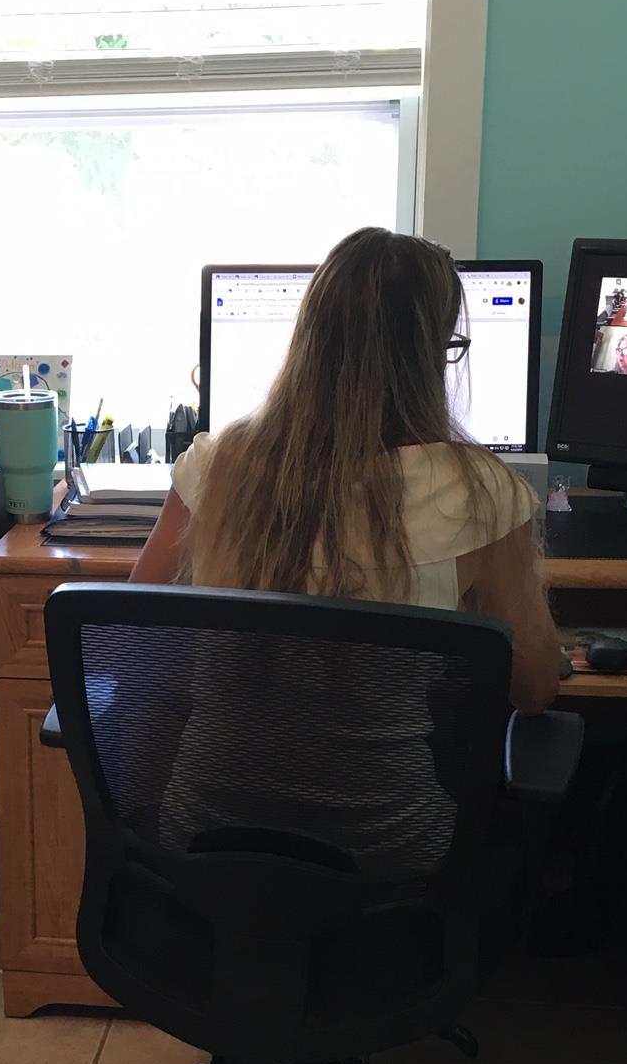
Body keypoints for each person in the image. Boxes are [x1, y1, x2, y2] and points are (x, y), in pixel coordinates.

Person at [131, 228, 562, 863]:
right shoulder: (483, 495)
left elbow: (137, 633)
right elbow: (535, 689)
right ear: (433, 352)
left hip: (204, 836)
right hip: (386, 849)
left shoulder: (217, 465)